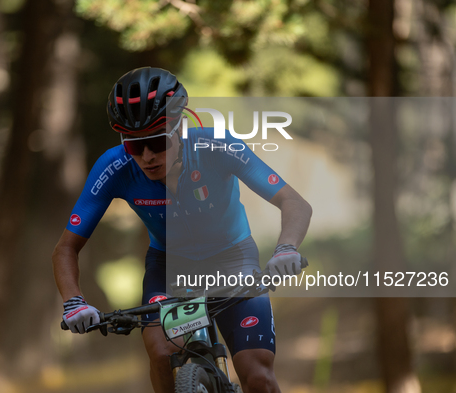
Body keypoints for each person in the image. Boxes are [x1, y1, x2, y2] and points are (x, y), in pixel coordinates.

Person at [52, 67, 312, 393]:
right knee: (162, 354)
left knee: (257, 374)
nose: (146, 156)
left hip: (233, 261)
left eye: (157, 141)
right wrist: (74, 302)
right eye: (134, 146)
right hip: (168, 270)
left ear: (180, 126)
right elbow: (65, 248)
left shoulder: (217, 147)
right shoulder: (114, 166)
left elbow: (294, 202)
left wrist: (286, 248)